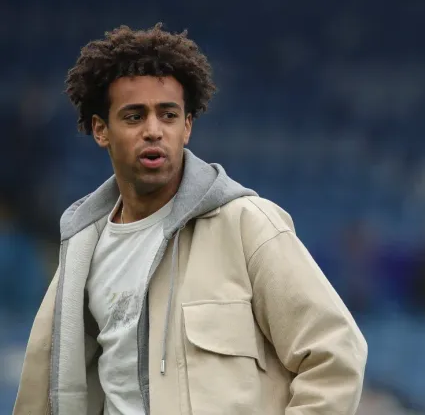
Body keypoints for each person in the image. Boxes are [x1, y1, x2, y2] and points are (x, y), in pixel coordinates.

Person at [14, 24, 368, 415]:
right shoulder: (82, 250)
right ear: (101, 130)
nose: (153, 131)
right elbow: (41, 392)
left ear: (186, 127)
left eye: (168, 115)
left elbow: (335, 353)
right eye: (134, 116)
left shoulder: (249, 225)